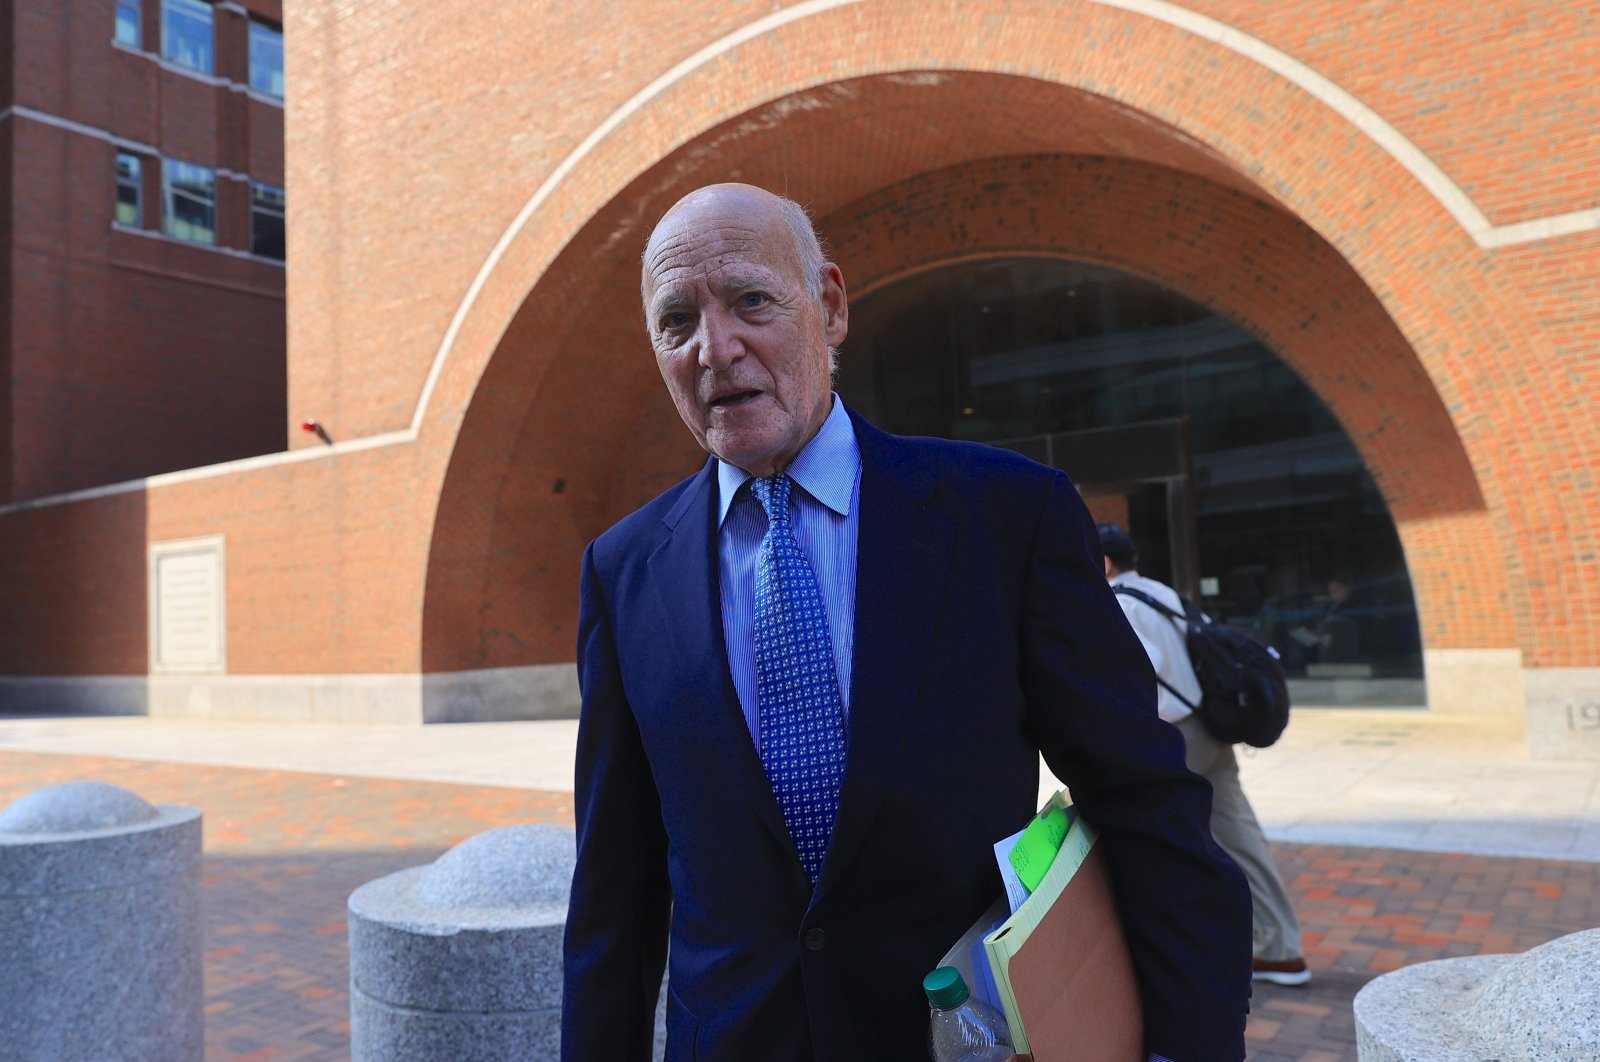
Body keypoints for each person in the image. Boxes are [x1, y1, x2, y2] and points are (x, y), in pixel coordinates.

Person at [560, 182, 1252, 1062]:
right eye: (676, 322)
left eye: (751, 301)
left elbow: (1143, 802)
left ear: (832, 307)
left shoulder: (1003, 515)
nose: (715, 348)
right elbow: (615, 890)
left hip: (961, 1041)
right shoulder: (624, 571)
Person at [1097, 523, 1312, 988]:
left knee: (1151, 845)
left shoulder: (1116, 603)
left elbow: (1141, 670)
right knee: (1242, 839)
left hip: (1175, 737)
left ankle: (1169, 958)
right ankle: (1281, 950)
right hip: (1209, 728)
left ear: (1106, 564)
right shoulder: (1161, 592)